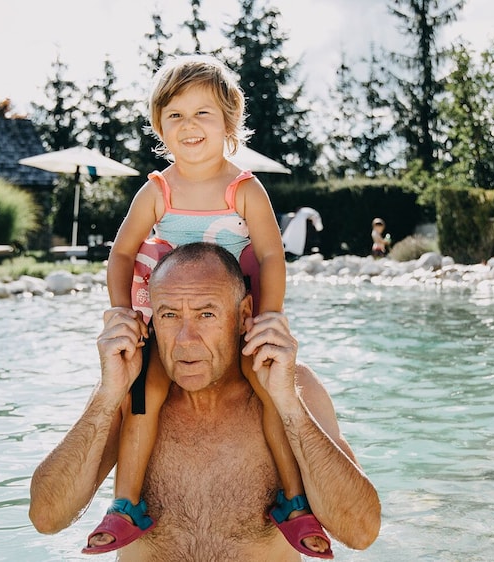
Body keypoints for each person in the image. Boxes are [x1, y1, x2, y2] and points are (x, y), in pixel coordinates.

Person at [90, 53, 329, 557]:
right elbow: (122, 253)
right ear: (159, 125)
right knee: (143, 395)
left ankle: (293, 500)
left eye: (203, 113)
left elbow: (271, 255)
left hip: (233, 322)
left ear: (229, 122)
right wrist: (122, 311)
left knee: (269, 392)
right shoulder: (157, 190)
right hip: (174, 325)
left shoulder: (244, 189)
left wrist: (269, 317)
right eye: (175, 115)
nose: (189, 125)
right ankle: (126, 504)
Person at [29, 242, 381, 560]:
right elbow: (47, 516)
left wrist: (289, 405)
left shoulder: (293, 386)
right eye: (169, 315)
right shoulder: (128, 392)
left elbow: (360, 531)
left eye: (206, 314)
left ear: (243, 315)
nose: (186, 338)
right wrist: (106, 398)